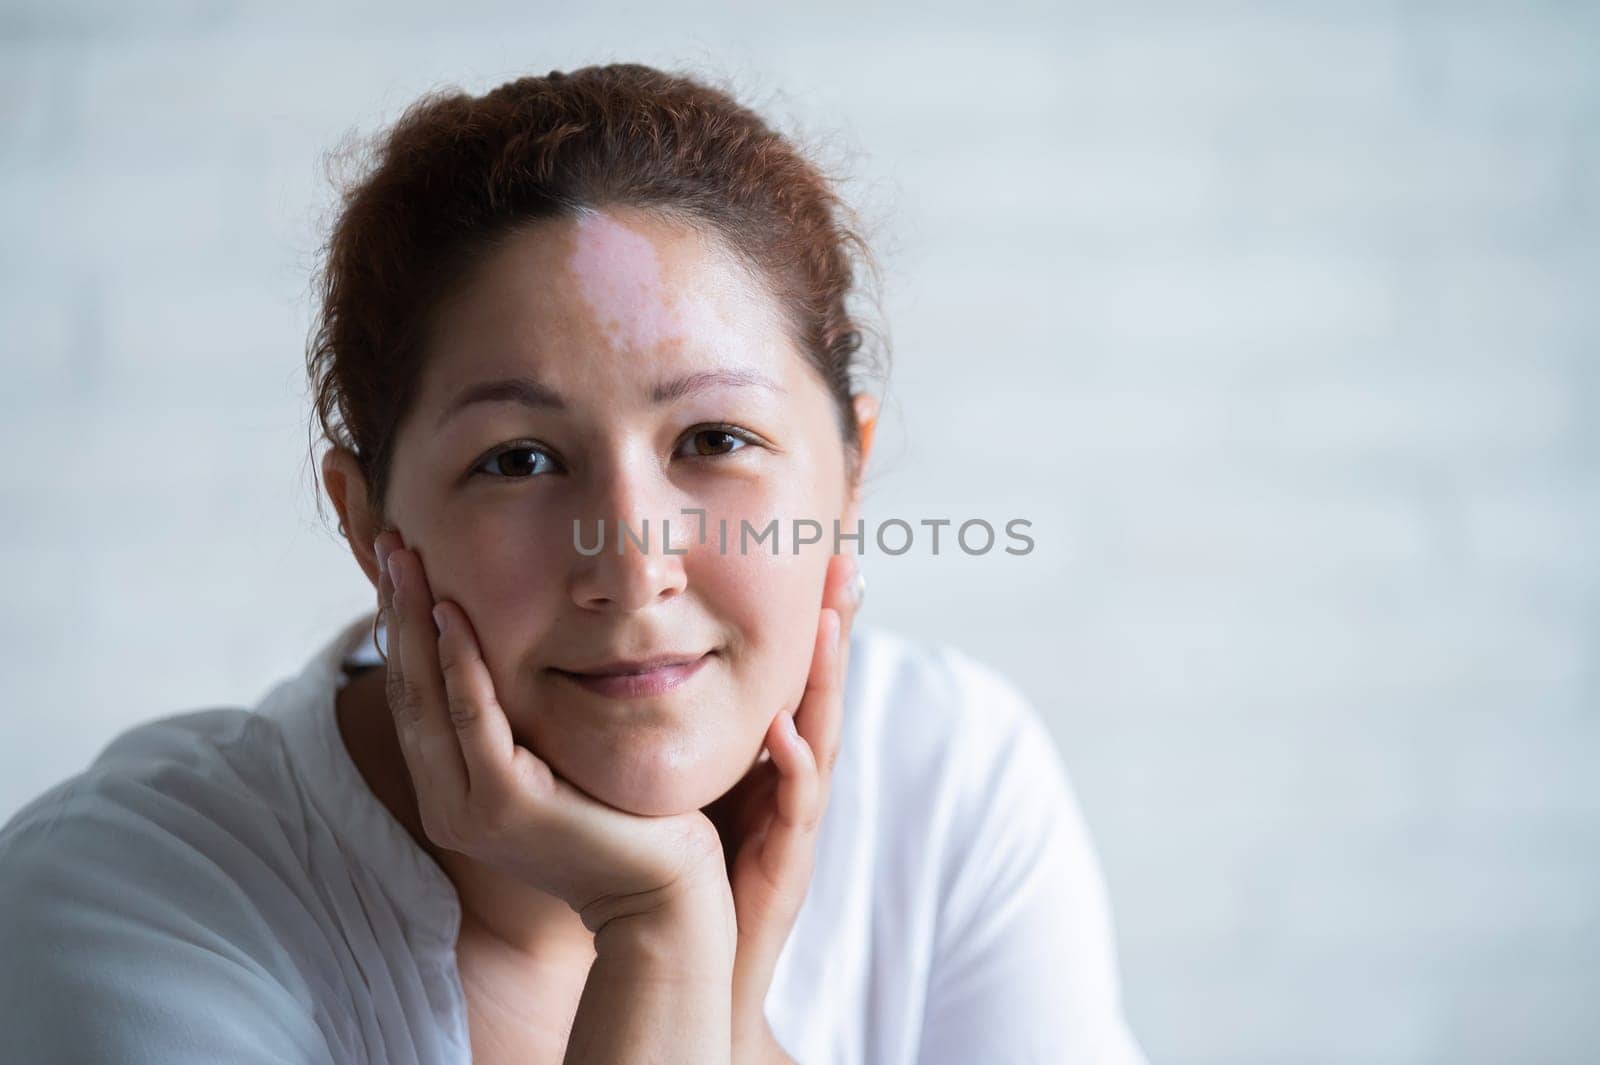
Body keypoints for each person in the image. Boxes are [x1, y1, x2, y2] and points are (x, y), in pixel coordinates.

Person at [0, 63, 1147, 1064]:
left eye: (714, 442)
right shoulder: (128, 898)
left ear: (849, 476)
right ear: (368, 525)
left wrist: (721, 1017)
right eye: (521, 459)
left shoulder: (946, 776)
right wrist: (656, 924)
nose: (633, 569)